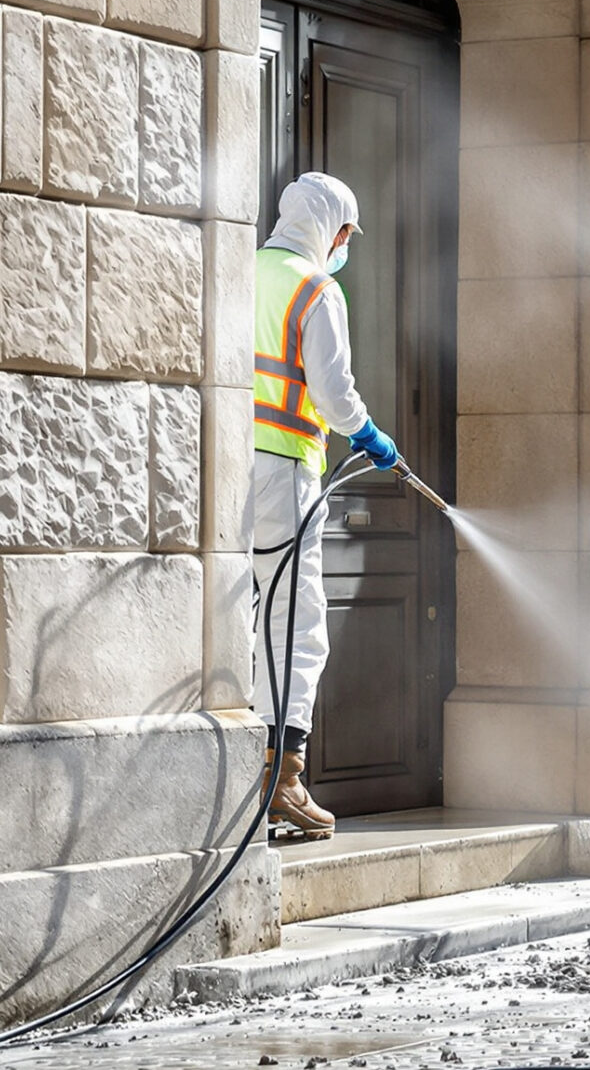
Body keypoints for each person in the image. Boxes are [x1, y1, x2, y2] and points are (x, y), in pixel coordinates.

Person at [250, 173, 400, 841]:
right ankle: (282, 775)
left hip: (227, 465)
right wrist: (368, 433)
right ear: (330, 229)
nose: (345, 247)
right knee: (297, 619)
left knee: (244, 609)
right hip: (282, 465)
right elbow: (334, 396)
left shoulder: (244, 266)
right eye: (345, 235)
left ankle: (243, 764)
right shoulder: (317, 289)